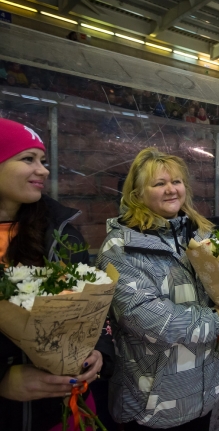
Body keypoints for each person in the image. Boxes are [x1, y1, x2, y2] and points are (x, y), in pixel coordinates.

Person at [95, 147, 219, 430]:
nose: (170, 190)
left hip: (203, 393)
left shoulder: (202, 235)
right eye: (159, 183)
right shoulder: (121, 247)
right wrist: (216, 321)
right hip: (153, 405)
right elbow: (144, 317)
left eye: (176, 182)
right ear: (137, 194)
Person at [0, 118, 108, 430]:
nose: (44, 171)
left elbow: (93, 309)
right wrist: (3, 381)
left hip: (64, 407)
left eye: (43, 161)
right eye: (28, 159)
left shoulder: (61, 233)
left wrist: (98, 350)